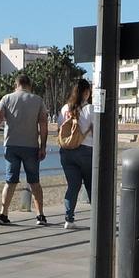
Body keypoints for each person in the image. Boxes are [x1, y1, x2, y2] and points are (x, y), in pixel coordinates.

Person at [0, 72, 49, 227]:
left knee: (10, 181)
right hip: (31, 146)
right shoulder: (38, 100)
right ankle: (40, 216)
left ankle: (3, 214)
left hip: (11, 146)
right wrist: (43, 146)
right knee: (34, 182)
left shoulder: (6, 98)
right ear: (29, 85)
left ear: (16, 85)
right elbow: (44, 125)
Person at [56, 78, 95, 231]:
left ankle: (68, 219)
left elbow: (59, 128)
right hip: (86, 150)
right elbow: (97, 131)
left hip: (66, 151)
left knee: (73, 186)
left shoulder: (66, 108)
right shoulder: (90, 109)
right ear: (86, 92)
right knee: (92, 186)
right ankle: (98, 219)